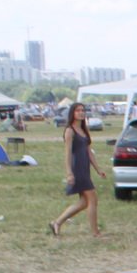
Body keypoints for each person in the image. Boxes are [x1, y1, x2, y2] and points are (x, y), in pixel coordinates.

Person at [49, 102, 106, 238]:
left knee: (84, 202)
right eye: (78, 110)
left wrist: (98, 169)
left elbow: (88, 151)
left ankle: (57, 222)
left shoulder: (84, 130)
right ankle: (95, 232)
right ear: (72, 113)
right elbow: (68, 153)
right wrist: (69, 172)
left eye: (82, 110)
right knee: (92, 199)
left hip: (85, 168)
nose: (81, 112)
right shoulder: (70, 130)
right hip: (77, 169)